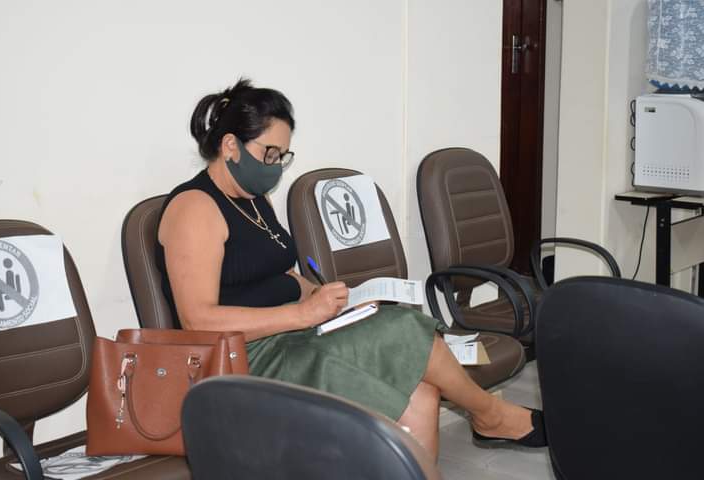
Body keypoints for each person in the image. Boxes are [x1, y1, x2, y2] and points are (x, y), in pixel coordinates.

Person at [155, 78, 546, 458]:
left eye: (283, 157)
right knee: (405, 329)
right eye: (270, 154)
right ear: (230, 146)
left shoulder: (254, 199)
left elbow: (277, 274)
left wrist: (322, 296)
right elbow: (197, 320)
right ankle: (490, 416)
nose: (276, 167)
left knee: (420, 390)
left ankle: (481, 425)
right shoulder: (195, 209)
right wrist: (301, 314)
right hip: (246, 358)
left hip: (292, 334)